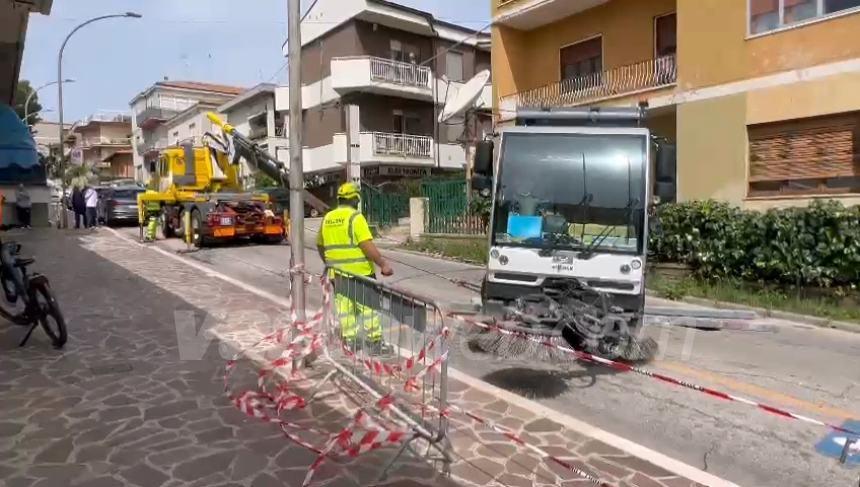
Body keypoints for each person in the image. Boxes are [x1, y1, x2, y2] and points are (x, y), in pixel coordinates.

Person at [317, 182, 393, 351]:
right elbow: (366, 245)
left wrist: (329, 263)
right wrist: (383, 264)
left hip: (337, 273)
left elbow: (320, 245)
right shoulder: (355, 217)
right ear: (354, 199)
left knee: (345, 309)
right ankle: (375, 343)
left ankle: (351, 342)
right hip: (360, 274)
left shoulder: (327, 218)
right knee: (368, 308)